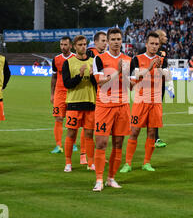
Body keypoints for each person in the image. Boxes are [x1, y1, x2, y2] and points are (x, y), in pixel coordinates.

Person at [120, 32, 170, 173]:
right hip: (141, 100)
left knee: (152, 132)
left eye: (156, 44)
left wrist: (159, 67)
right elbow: (135, 76)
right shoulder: (137, 59)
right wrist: (149, 68)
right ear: (146, 44)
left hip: (155, 101)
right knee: (134, 131)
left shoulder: (162, 59)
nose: (154, 46)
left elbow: (168, 77)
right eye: (152, 43)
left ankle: (146, 163)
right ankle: (128, 163)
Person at [92, 28, 132, 192]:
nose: (116, 42)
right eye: (113, 39)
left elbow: (131, 85)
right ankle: (99, 179)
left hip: (122, 106)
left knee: (118, 143)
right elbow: (100, 82)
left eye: (119, 39)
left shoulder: (128, 59)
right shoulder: (99, 59)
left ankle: (111, 178)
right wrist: (118, 72)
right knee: (101, 143)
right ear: (107, 41)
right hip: (104, 107)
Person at [62, 35, 97, 172]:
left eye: (85, 44)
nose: (83, 47)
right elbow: (67, 84)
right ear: (74, 46)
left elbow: (97, 85)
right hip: (74, 103)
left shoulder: (93, 61)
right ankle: (68, 163)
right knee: (71, 134)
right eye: (80, 44)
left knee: (89, 135)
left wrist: (94, 76)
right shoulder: (69, 63)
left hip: (90, 103)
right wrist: (80, 76)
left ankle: (91, 163)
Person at [50, 37, 78, 155]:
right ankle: (58, 145)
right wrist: (52, 93)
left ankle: (73, 143)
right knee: (58, 118)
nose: (63, 47)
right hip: (59, 93)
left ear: (70, 46)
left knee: (72, 120)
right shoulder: (56, 59)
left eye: (65, 44)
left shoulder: (76, 58)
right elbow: (54, 77)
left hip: (72, 93)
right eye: (61, 44)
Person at [153, 29, 171, 148]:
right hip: (150, 85)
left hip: (161, 84)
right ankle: (154, 138)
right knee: (152, 111)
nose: (166, 38)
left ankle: (155, 138)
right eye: (164, 36)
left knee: (156, 111)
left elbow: (165, 67)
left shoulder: (164, 50)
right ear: (159, 37)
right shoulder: (148, 50)